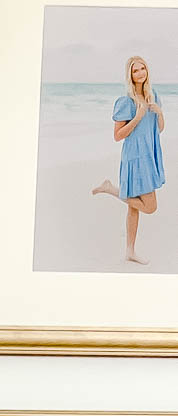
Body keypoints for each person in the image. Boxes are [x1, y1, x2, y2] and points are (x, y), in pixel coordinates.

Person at [92, 55, 166, 264]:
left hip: (150, 155)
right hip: (135, 157)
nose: (140, 72)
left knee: (134, 207)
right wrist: (137, 117)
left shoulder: (153, 96)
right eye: (136, 70)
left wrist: (159, 113)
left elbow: (158, 129)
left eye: (143, 68)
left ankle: (130, 251)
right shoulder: (126, 101)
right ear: (130, 75)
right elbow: (117, 136)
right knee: (150, 207)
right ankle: (110, 189)